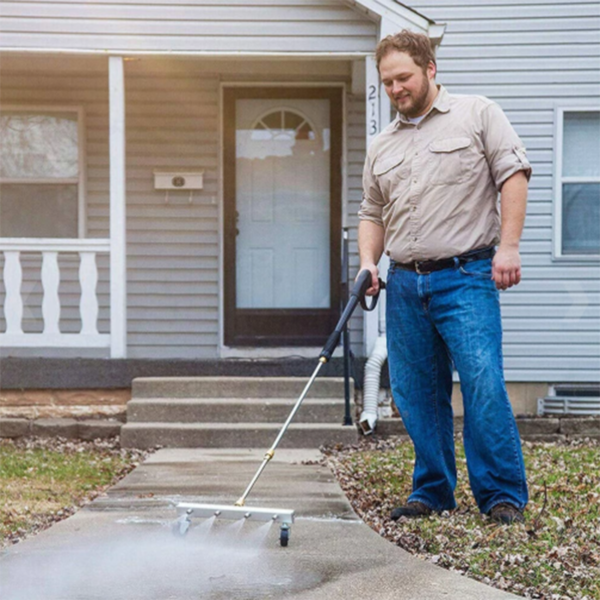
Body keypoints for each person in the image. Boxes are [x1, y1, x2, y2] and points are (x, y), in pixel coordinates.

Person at [358, 30, 531, 525]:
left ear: (430, 69)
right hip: (406, 284)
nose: (395, 88)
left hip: (467, 275)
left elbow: (512, 175)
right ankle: (432, 490)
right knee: (414, 390)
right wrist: (370, 262)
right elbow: (372, 212)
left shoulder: (477, 114)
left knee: (482, 383)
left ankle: (500, 494)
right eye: (387, 81)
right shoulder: (382, 145)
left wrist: (510, 247)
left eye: (403, 77)